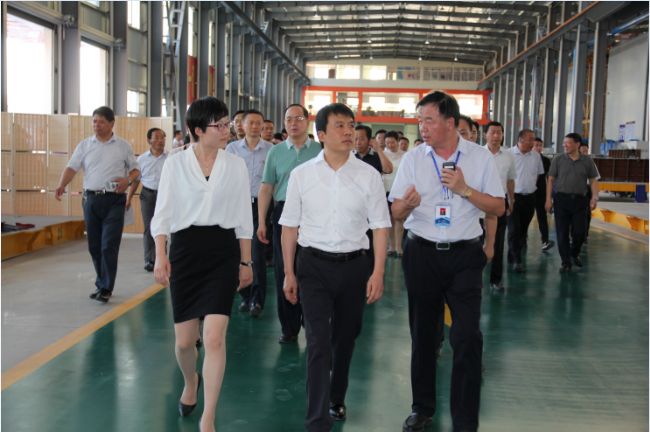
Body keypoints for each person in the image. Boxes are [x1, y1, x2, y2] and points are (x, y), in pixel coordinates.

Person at [389, 91, 504, 432]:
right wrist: (406, 205)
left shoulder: (480, 158)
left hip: (465, 254)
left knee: (467, 337)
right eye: (420, 120)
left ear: (450, 122)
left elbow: (498, 207)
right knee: (424, 335)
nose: (422, 127)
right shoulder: (413, 159)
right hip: (421, 252)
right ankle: (422, 408)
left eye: (429, 120)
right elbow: (395, 211)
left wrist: (465, 190)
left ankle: (465, 420)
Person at [280, 103, 390, 432]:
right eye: (339, 126)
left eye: (351, 125)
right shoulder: (302, 175)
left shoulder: (368, 175)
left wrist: (378, 272)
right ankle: (317, 420)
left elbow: (380, 226)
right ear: (322, 134)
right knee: (316, 340)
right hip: (313, 265)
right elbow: (289, 227)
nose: (348, 132)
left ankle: (336, 395)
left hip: (355, 266)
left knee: (345, 337)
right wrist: (289, 273)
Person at [151, 96, 253, 432]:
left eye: (227, 124)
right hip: (186, 251)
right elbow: (162, 213)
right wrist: (161, 254)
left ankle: (208, 417)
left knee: (214, 338)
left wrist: (246, 261)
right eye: (218, 125)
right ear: (197, 130)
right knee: (184, 342)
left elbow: (243, 215)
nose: (226, 130)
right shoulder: (175, 164)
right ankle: (190, 381)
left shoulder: (235, 165)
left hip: (222, 251)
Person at [55, 106, 140, 303]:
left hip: (114, 201)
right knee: (94, 246)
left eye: (101, 121)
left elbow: (136, 171)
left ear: (111, 123)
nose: (97, 125)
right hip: (91, 200)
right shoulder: (85, 145)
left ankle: (106, 288)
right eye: (94, 121)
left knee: (108, 244)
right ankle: (102, 283)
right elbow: (71, 167)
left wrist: (127, 180)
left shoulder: (123, 146)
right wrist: (61, 185)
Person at [257, 104, 322, 344]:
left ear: (307, 121)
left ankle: (311, 321)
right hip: (284, 213)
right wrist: (262, 221)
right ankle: (289, 326)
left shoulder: (320, 150)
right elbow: (266, 188)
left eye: (298, 118)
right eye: (288, 119)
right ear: (284, 123)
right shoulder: (275, 152)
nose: (293, 123)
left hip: (315, 214)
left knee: (311, 269)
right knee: (285, 268)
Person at [226, 109, 273, 317]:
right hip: (237, 206)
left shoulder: (271, 150)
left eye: (258, 123)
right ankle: (245, 295)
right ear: (242, 126)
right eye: (250, 123)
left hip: (260, 207)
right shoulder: (232, 149)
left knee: (257, 253)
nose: (254, 126)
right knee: (239, 253)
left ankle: (257, 300)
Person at [545, 133, 599, 273]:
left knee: (580, 232)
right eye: (564, 143)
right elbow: (550, 180)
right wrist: (548, 199)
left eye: (568, 143)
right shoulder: (558, 160)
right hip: (561, 200)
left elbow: (593, 180)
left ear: (577, 144)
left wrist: (594, 197)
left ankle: (574, 254)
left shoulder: (587, 161)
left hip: (580, 201)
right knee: (562, 233)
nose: (565, 145)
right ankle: (566, 262)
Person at [127, 127, 168, 272]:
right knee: (149, 227)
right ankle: (150, 260)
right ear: (149, 140)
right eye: (156, 138)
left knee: (164, 227)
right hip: (148, 195)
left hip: (165, 196)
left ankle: (163, 258)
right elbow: (136, 181)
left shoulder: (170, 158)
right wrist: (128, 198)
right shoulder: (142, 159)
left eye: (162, 138)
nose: (160, 141)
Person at [484, 121, 516, 291]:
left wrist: (511, 200)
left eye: (499, 132)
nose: (496, 136)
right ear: (486, 135)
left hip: (500, 201)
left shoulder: (509, 156)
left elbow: (510, 180)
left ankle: (496, 280)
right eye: (493, 132)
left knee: (498, 242)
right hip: (479, 201)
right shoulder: (478, 154)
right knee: (476, 240)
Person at [507, 129, 544, 272]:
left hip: (530, 198)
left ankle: (512, 253)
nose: (533, 142)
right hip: (513, 198)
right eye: (530, 139)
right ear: (521, 139)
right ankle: (517, 260)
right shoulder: (509, 154)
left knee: (522, 230)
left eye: (533, 139)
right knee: (514, 229)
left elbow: (538, 176)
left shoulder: (536, 156)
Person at [383, 130, 406, 257]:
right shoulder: (382, 154)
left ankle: (399, 247)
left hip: (399, 191)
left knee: (399, 219)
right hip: (385, 190)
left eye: (392, 142)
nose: (390, 145)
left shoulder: (405, 155)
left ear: (398, 141)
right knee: (389, 220)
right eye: (387, 143)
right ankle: (391, 246)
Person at [533, 137, 555, 251]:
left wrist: (549, 197)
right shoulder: (527, 159)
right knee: (524, 217)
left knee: (542, 217)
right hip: (527, 192)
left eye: (539, 145)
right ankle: (522, 239)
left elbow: (549, 179)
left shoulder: (546, 161)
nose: (538, 147)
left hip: (541, 192)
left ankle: (545, 240)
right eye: (535, 145)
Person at [579, 141, 595, 243]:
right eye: (583, 151)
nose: (585, 153)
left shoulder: (590, 162)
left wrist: (594, 197)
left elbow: (595, 180)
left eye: (586, 151)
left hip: (587, 189)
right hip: (576, 190)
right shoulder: (573, 162)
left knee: (587, 214)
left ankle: (585, 234)